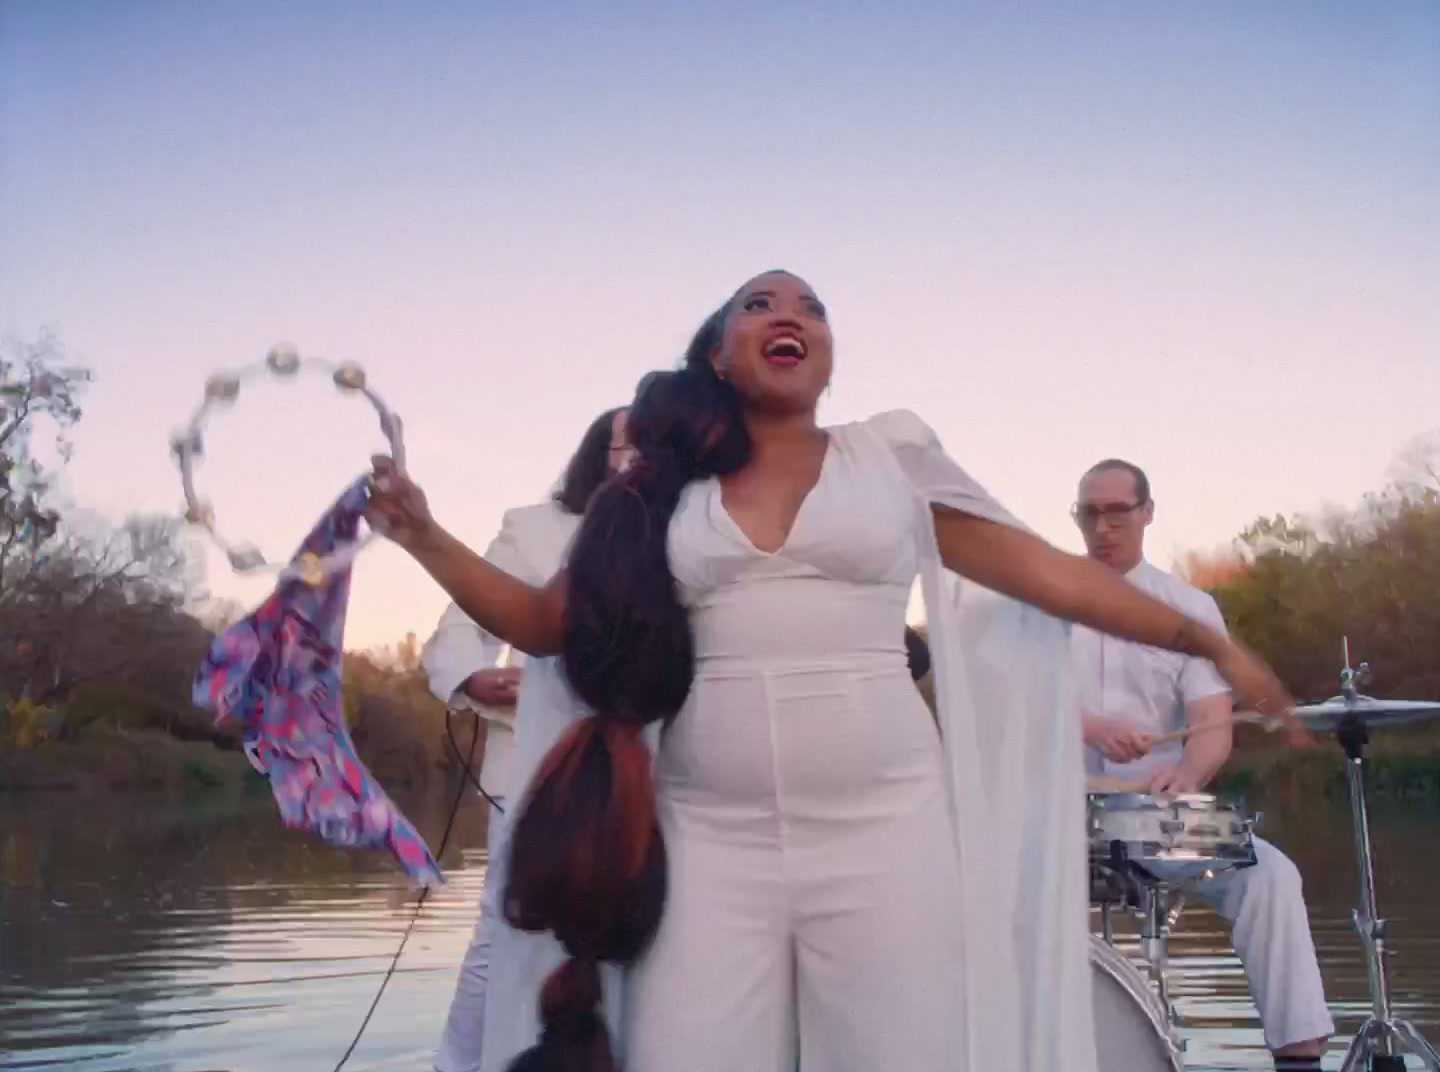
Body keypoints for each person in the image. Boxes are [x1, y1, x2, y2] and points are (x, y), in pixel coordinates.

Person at [366, 270, 1297, 1072]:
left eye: (811, 306)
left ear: (828, 352)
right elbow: (543, 621)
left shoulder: (887, 458)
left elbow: (1050, 575)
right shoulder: (656, 491)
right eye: (759, 303)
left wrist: (1207, 642)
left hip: (886, 835)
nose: (790, 315)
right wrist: (421, 535)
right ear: (719, 357)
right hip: (705, 843)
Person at [1070, 458, 1333, 1070]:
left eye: (1118, 512)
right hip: (1054, 812)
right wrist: (1091, 727)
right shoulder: (1042, 603)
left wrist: (1186, 776)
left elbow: (1213, 724)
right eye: (1091, 514)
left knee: (1269, 875)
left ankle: (1300, 1056)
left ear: (1147, 513)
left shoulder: (1190, 608)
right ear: (1077, 518)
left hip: (1161, 817)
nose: (1104, 527)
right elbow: (1014, 707)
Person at [422, 406, 632, 1072]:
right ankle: (460, 1066)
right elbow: (458, 628)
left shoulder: (685, 526)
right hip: (534, 764)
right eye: (621, 444)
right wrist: (473, 678)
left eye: (648, 444)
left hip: (651, 770)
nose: (632, 458)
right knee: (504, 933)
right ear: (596, 452)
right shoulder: (533, 528)